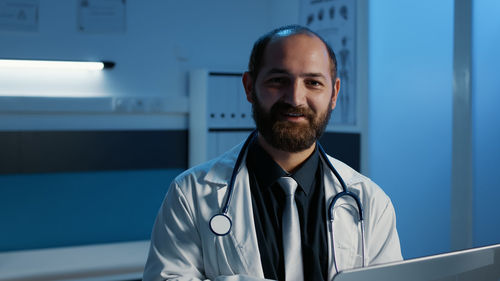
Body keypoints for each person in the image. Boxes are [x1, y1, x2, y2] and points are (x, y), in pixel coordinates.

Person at [143, 25, 402, 281]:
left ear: (333, 93)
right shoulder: (191, 194)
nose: (295, 99)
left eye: (313, 82)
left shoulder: (370, 202)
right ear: (249, 87)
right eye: (278, 81)